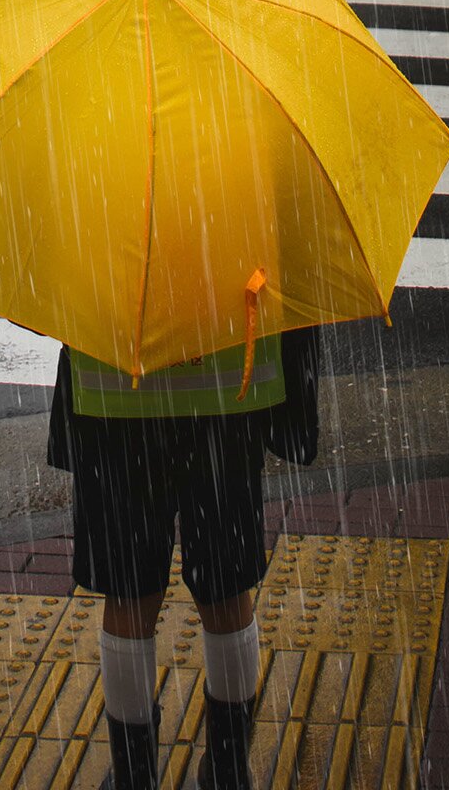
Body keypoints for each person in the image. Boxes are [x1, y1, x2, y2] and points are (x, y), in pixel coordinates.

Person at [47, 329, 322, 790]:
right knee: (225, 586)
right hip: (228, 388)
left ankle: (134, 776)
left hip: (116, 392)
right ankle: (228, 769)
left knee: (130, 593)